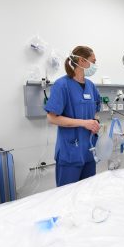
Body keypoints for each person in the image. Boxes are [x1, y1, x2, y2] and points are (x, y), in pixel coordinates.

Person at [44, 46, 101, 187]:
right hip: (70, 153)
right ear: (81, 61)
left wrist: (95, 123)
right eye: (93, 61)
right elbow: (51, 118)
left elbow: (94, 111)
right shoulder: (62, 85)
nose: (95, 65)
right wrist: (84, 123)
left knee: (87, 196)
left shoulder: (91, 86)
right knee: (67, 200)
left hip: (89, 152)